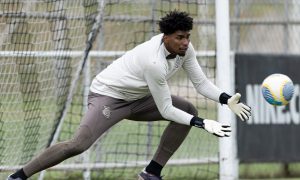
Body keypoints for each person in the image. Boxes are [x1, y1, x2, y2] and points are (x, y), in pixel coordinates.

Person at [8, 10, 251, 180]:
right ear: (165, 37)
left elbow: (201, 83)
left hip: (140, 98)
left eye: (187, 36)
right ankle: (19, 176)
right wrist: (203, 123)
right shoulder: (153, 61)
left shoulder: (185, 50)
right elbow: (166, 109)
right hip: (109, 97)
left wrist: (225, 99)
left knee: (188, 109)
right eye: (180, 37)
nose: (185, 42)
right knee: (78, 144)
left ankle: (151, 173)